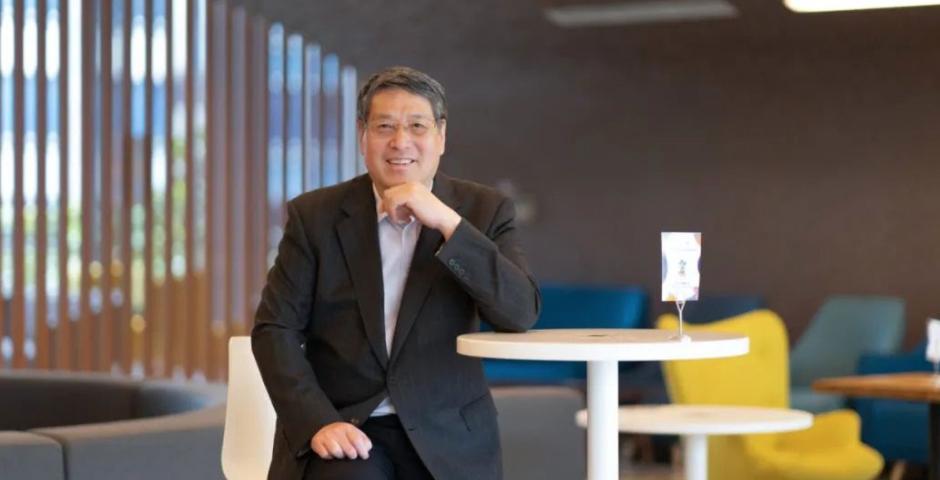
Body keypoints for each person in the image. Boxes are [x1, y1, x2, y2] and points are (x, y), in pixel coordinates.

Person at [252, 65, 541, 480]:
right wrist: (317, 421)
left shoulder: (484, 210)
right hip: (347, 425)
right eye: (384, 126)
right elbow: (274, 329)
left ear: (441, 136)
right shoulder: (315, 216)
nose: (400, 141)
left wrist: (448, 224)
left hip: (447, 432)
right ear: (362, 135)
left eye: (417, 126)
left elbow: (519, 313)